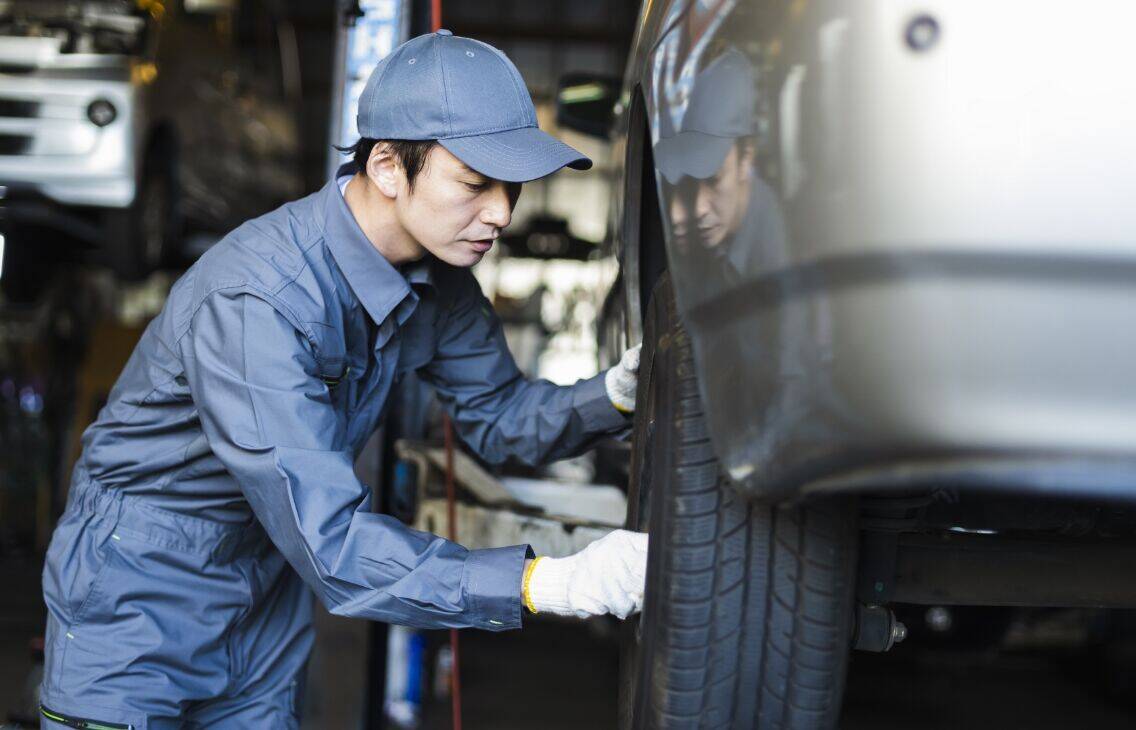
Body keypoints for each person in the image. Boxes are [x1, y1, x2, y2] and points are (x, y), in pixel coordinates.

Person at [39, 30, 645, 729]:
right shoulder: (258, 300)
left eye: (511, 187)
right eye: (476, 184)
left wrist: (618, 394)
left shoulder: (441, 283)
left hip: (265, 591)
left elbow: (502, 418)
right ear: (388, 166)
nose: (502, 214)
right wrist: (544, 582)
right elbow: (329, 540)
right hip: (139, 589)